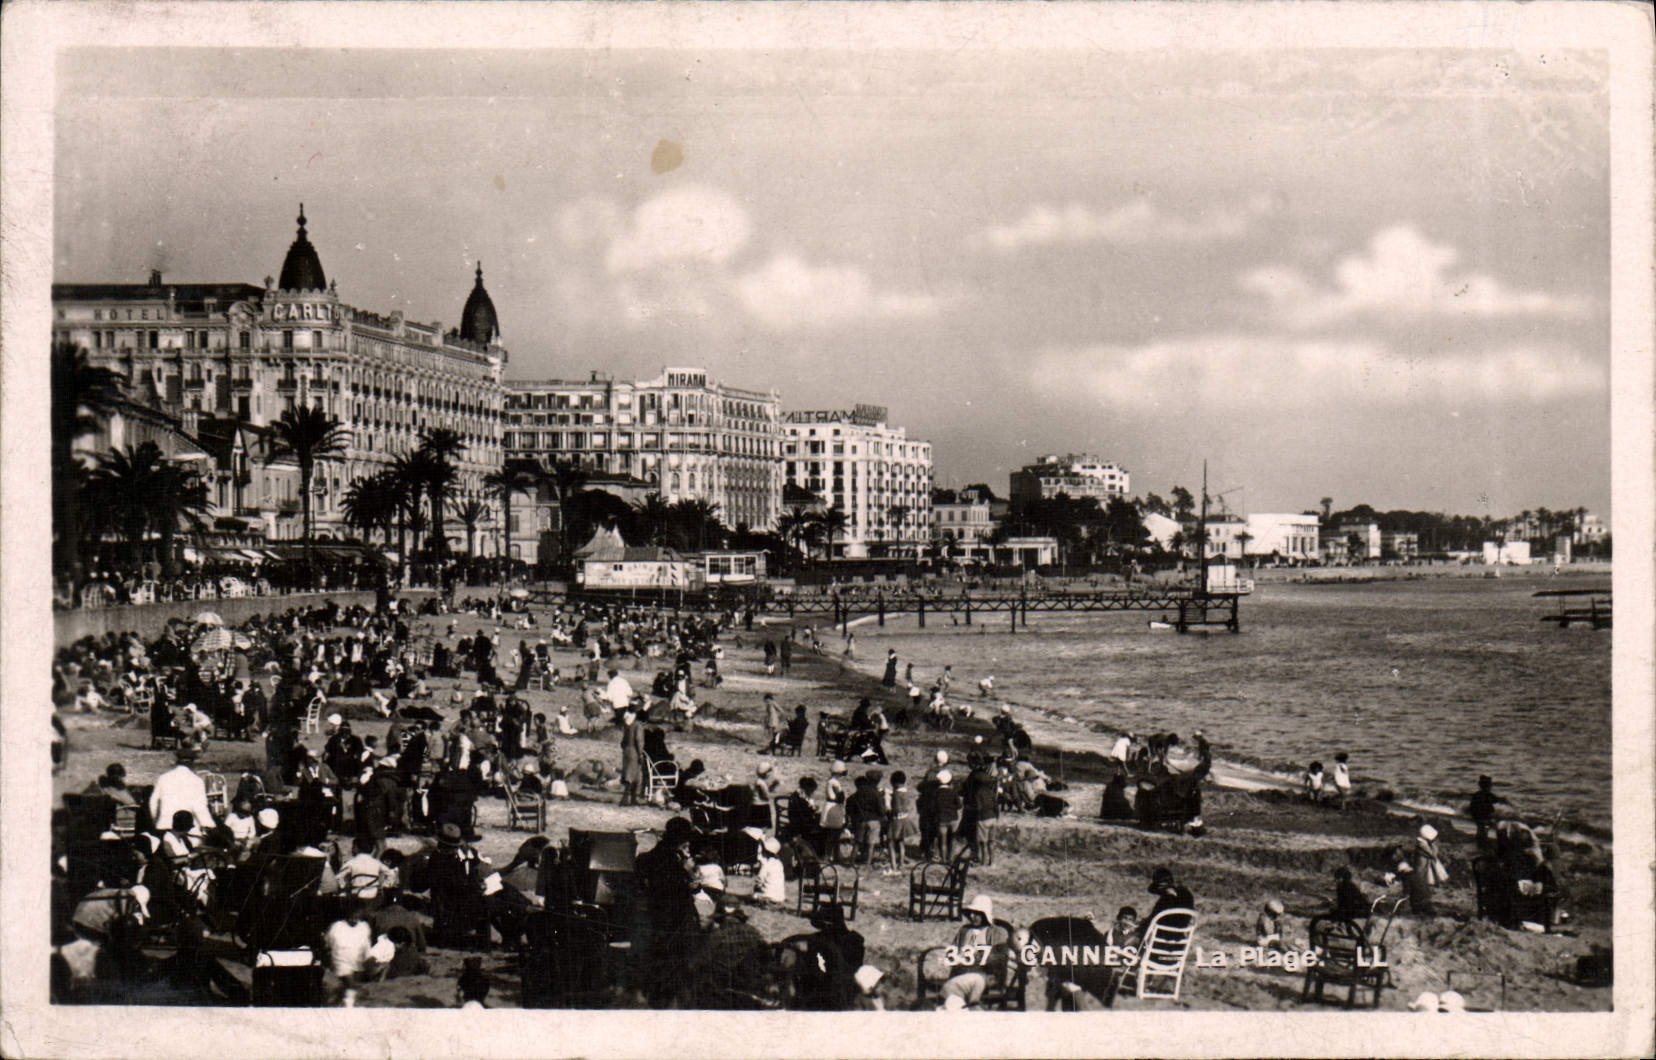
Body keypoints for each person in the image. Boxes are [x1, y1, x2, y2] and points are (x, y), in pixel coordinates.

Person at [149, 753, 217, 835]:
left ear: (177, 762)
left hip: (164, 827)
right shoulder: (197, 781)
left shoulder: (163, 778)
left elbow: (153, 803)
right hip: (188, 830)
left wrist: (155, 820)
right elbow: (200, 808)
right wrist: (210, 825)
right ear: (192, 764)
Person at [323, 902, 375, 1007]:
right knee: (350, 985)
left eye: (356, 917)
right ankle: (347, 1005)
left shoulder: (364, 927)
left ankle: (344, 1002)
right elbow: (328, 943)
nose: (353, 920)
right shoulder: (337, 927)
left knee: (350, 990)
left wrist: (368, 960)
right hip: (341, 962)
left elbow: (367, 946)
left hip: (358, 963)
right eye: (350, 917)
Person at [886, 770, 917, 872]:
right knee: (901, 842)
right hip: (905, 819)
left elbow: (896, 809)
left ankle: (893, 865)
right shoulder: (906, 792)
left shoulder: (896, 794)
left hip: (896, 820)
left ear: (894, 783)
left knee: (890, 843)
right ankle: (901, 863)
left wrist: (889, 810)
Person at [1467, 775, 1509, 849]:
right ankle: (1486, 843)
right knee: (1490, 828)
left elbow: (1471, 808)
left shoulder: (1477, 795)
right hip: (1483, 817)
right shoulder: (1488, 795)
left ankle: (1481, 841)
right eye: (1490, 785)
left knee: (1482, 828)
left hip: (1479, 817)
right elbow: (1498, 800)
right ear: (1489, 786)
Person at [619, 708, 646, 806]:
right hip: (634, 751)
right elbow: (639, 740)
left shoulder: (628, 726)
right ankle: (627, 799)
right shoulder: (638, 726)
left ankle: (630, 799)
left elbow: (622, 743)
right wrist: (640, 754)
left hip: (626, 751)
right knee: (633, 776)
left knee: (628, 775)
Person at [753, 836, 787, 904]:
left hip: (768, 895)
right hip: (780, 897)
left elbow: (759, 880)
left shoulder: (766, 864)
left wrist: (757, 888)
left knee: (755, 895)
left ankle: (765, 900)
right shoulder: (779, 863)